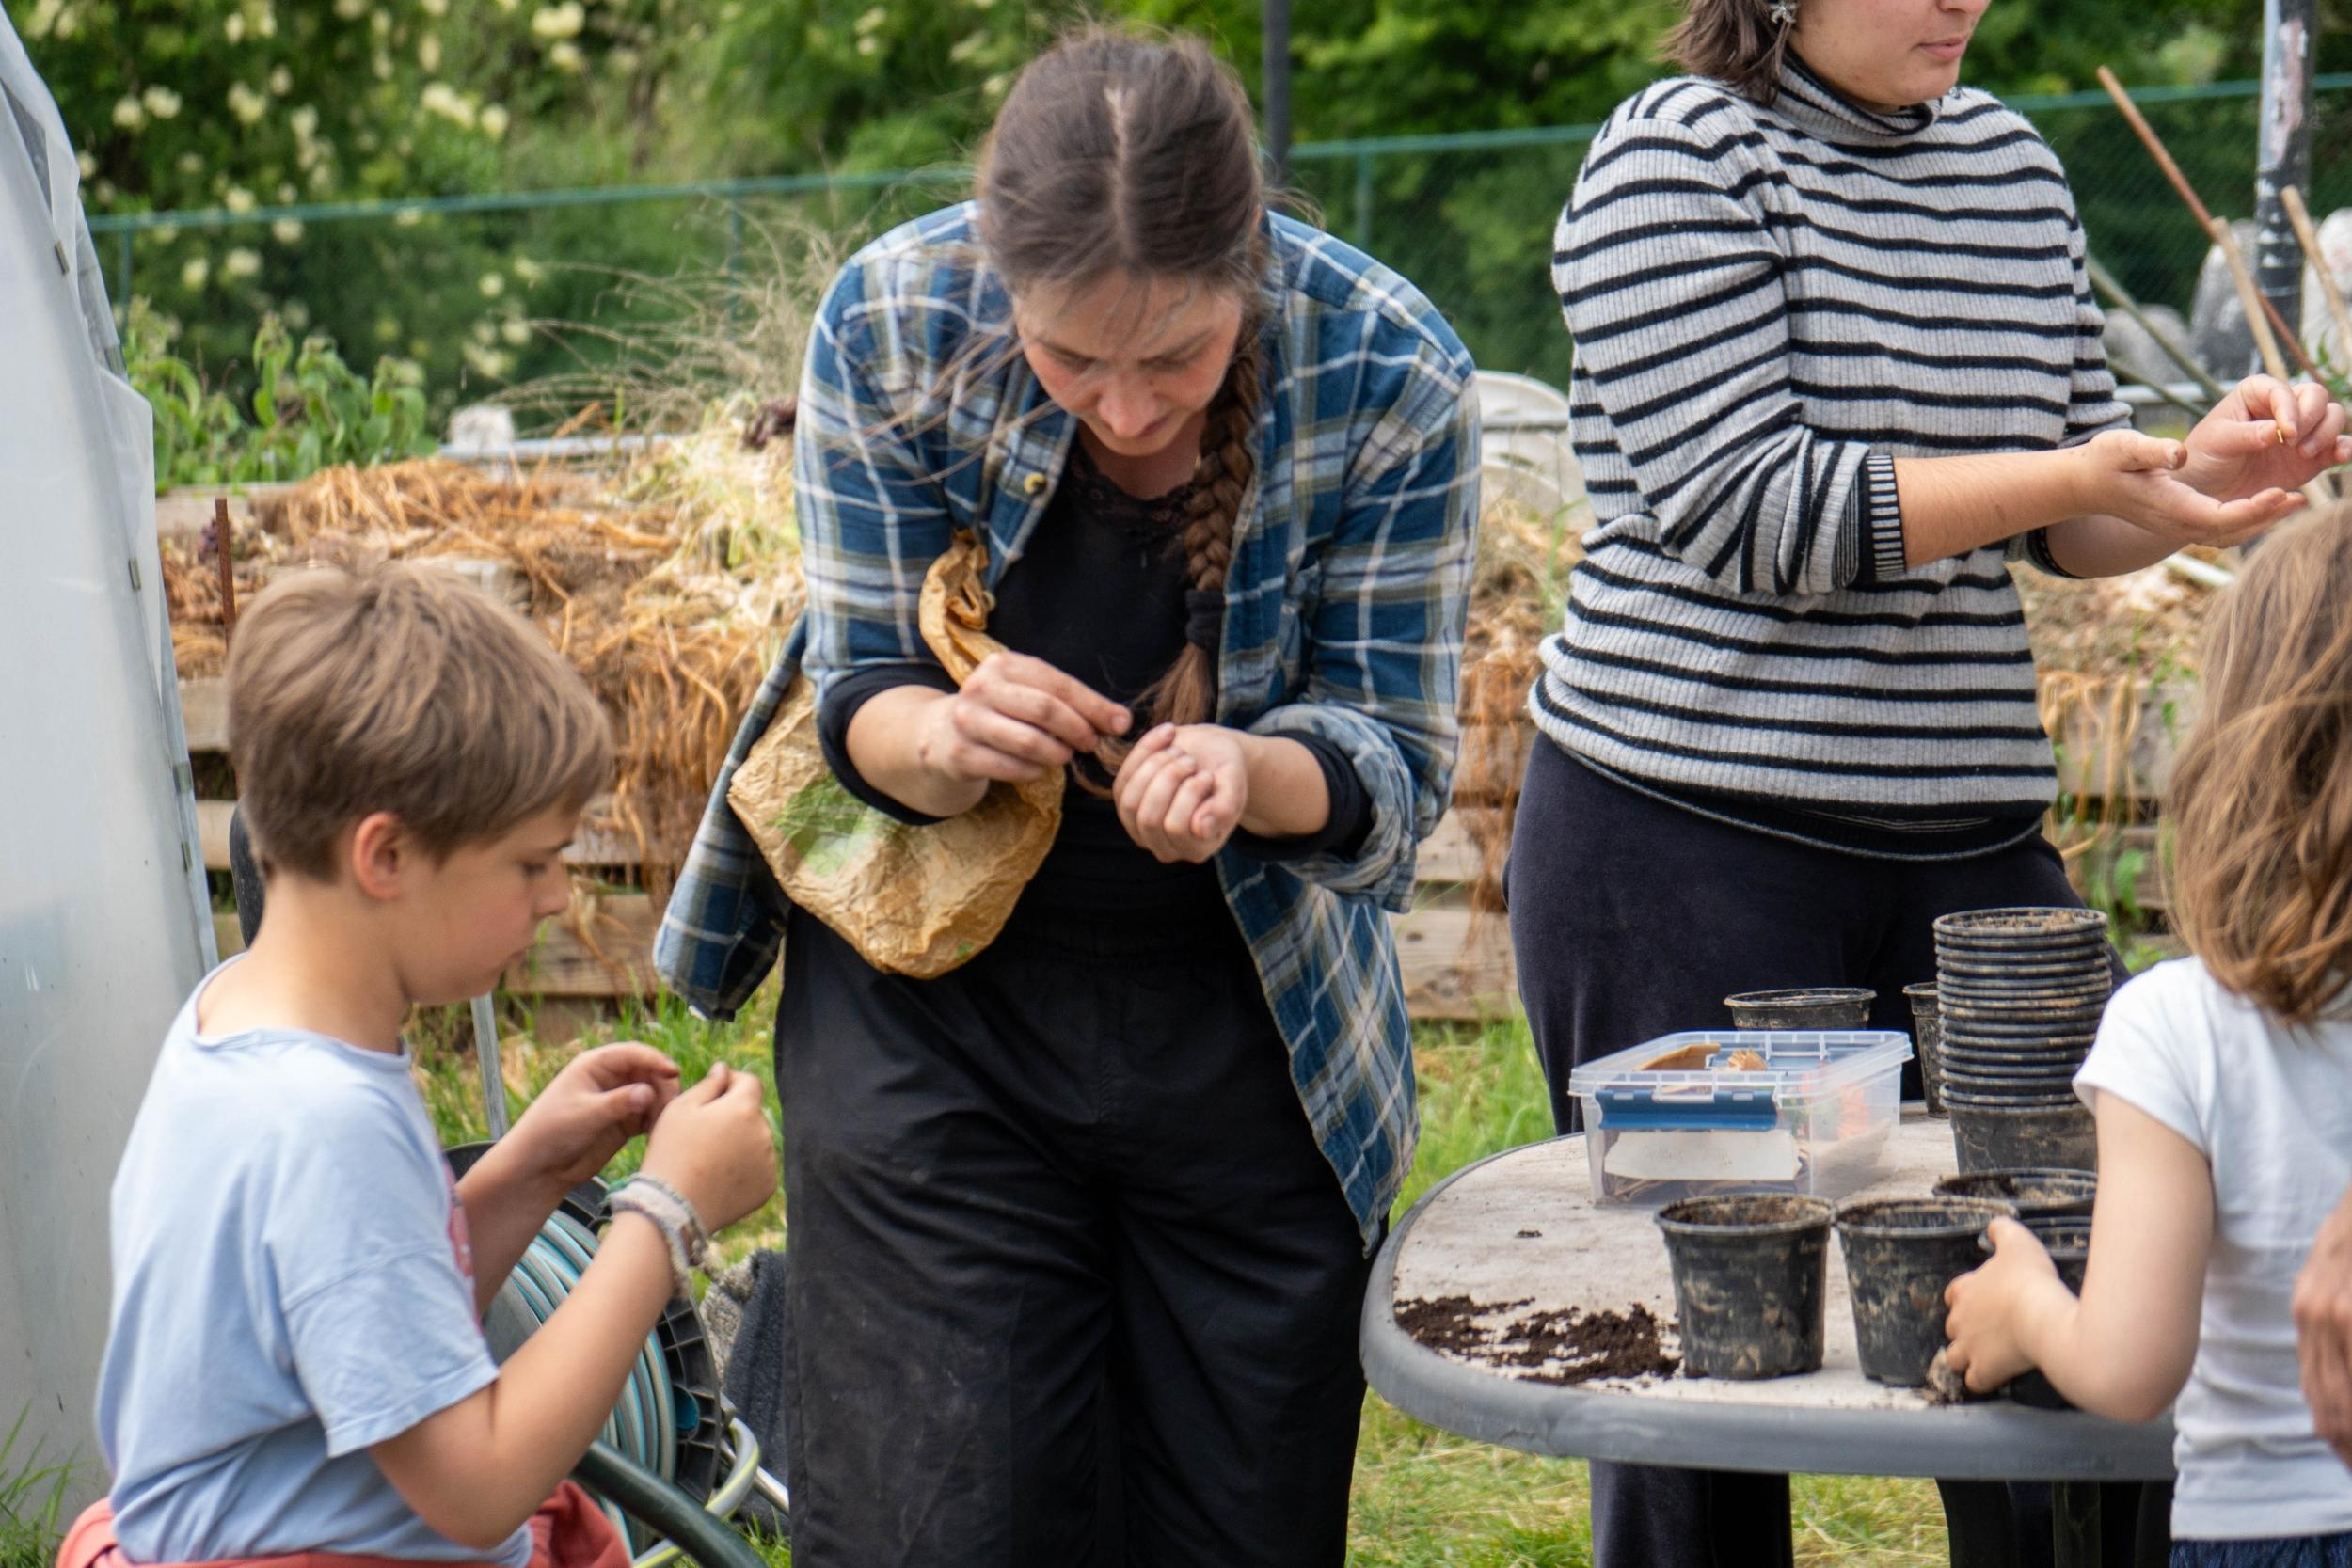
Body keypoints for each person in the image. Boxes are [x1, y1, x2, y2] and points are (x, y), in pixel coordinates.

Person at [1509, 0, 2352, 1563]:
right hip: (1682, 830)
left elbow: (2061, 512)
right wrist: (2084, 472)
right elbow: (1759, 508)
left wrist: (2195, 492)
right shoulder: (1676, 157)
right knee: (1711, 1358)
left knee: (2064, 1328)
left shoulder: (2013, 170)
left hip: (1969, 839)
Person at [656, 26, 1480, 1566]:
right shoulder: (897, 319)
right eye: (1067, 357)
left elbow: (1396, 758)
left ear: (1252, 268)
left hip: (1251, 1025)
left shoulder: (1391, 366)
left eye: (1173, 355)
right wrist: (944, 733)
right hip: (934, 1014)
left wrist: (1253, 772)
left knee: (1237, 1522)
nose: (1120, 406)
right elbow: (856, 700)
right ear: (1001, 277)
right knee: (940, 1519)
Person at [65, 562, 777, 1568]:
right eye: (531, 862)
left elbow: (363, 1322)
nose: (554, 899)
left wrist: (529, 1168)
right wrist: (664, 1214)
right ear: (385, 856)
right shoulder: (323, 1125)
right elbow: (478, 1484)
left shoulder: (246, 1018)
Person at [1944, 504, 2352, 1562]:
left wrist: (2026, 1302)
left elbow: (2128, 1368)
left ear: (2238, 749)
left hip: (2270, 1529)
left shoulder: (2174, 1026)